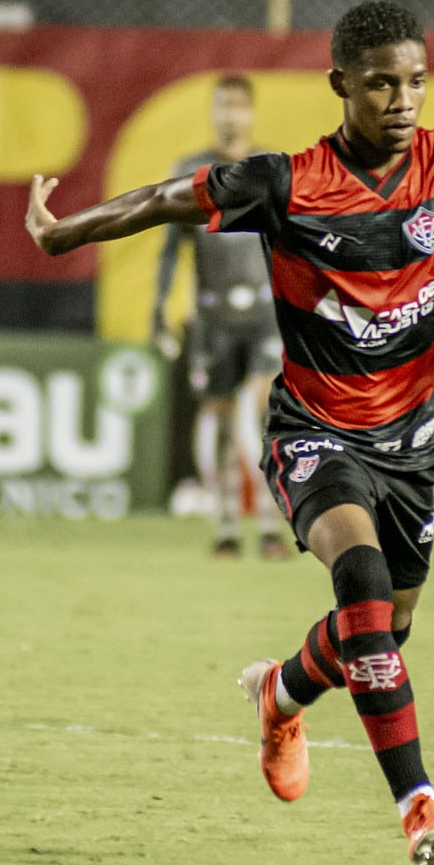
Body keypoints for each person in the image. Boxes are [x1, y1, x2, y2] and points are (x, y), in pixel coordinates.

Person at [25, 0, 434, 865]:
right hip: (315, 432)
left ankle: (281, 692)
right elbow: (167, 199)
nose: (402, 97)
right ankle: (419, 805)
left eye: (416, 79)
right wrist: (64, 229)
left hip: (416, 441)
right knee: (362, 584)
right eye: (381, 81)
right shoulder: (287, 183)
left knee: (387, 630)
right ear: (341, 84)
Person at [149, 74, 293, 561]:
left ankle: (272, 525)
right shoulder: (190, 171)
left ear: (252, 114)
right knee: (223, 422)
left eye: (238, 107)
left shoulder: (271, 169)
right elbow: (170, 250)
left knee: (258, 412)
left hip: (263, 312)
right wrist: (158, 312)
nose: (230, 116)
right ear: (212, 114)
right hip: (211, 317)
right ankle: (228, 526)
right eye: (222, 107)